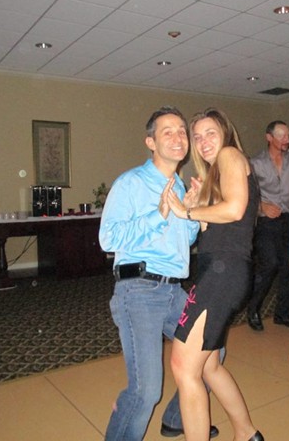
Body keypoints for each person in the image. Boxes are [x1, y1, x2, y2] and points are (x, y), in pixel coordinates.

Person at [99, 106, 219, 440]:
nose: (179, 137)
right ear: (150, 142)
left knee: (213, 353)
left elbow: (183, 241)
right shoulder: (131, 183)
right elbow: (108, 238)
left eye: (182, 131)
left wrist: (191, 213)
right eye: (168, 131)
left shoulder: (179, 186)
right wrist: (159, 213)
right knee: (145, 390)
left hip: (173, 290)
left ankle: (177, 419)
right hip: (139, 290)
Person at [166, 108, 264, 441]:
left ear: (225, 133)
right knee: (208, 366)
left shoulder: (229, 155)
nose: (203, 141)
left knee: (184, 367)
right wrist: (198, 207)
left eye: (210, 133)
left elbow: (235, 209)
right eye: (197, 136)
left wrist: (187, 210)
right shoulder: (216, 173)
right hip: (222, 271)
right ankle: (247, 433)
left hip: (223, 274)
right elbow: (216, 229)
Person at [247, 120, 289, 331]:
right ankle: (253, 308)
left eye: (288, 136)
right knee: (269, 264)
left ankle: (283, 314)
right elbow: (247, 194)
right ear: (269, 137)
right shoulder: (255, 163)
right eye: (281, 136)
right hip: (266, 222)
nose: (286, 140)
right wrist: (262, 206)